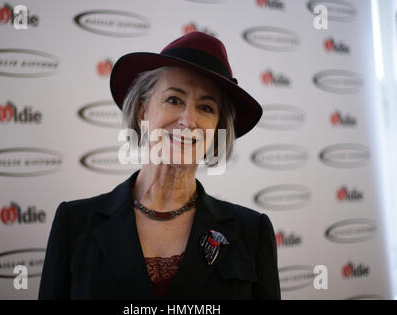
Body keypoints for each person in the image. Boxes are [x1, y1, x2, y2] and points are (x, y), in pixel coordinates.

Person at [38, 31, 281, 300]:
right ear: (143, 111)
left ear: (218, 128)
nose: (188, 121)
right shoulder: (74, 223)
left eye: (206, 108)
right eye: (174, 100)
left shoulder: (252, 233)